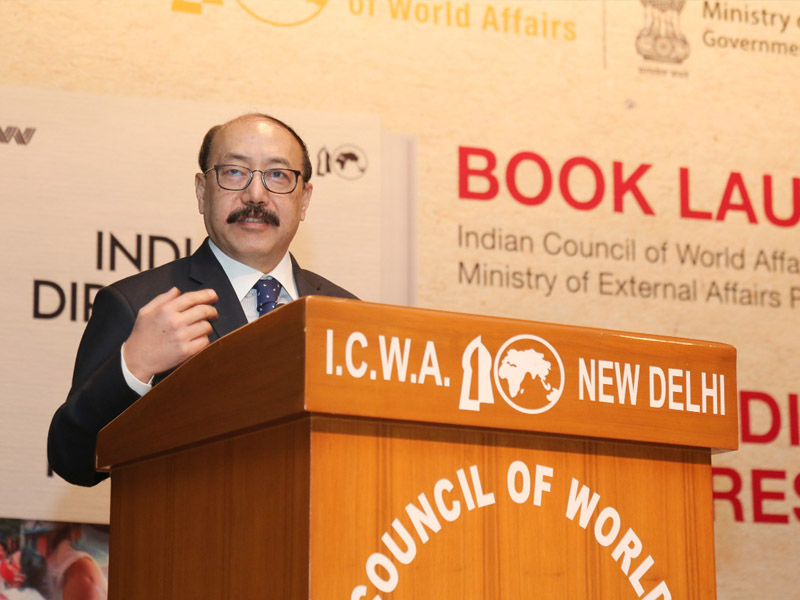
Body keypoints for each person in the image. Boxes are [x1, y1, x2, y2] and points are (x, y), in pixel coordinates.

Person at [48, 113, 357, 487]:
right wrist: (135, 366)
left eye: (277, 175)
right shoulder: (137, 303)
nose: (255, 195)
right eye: (234, 172)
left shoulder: (348, 315)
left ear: (304, 199)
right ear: (201, 191)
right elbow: (72, 460)